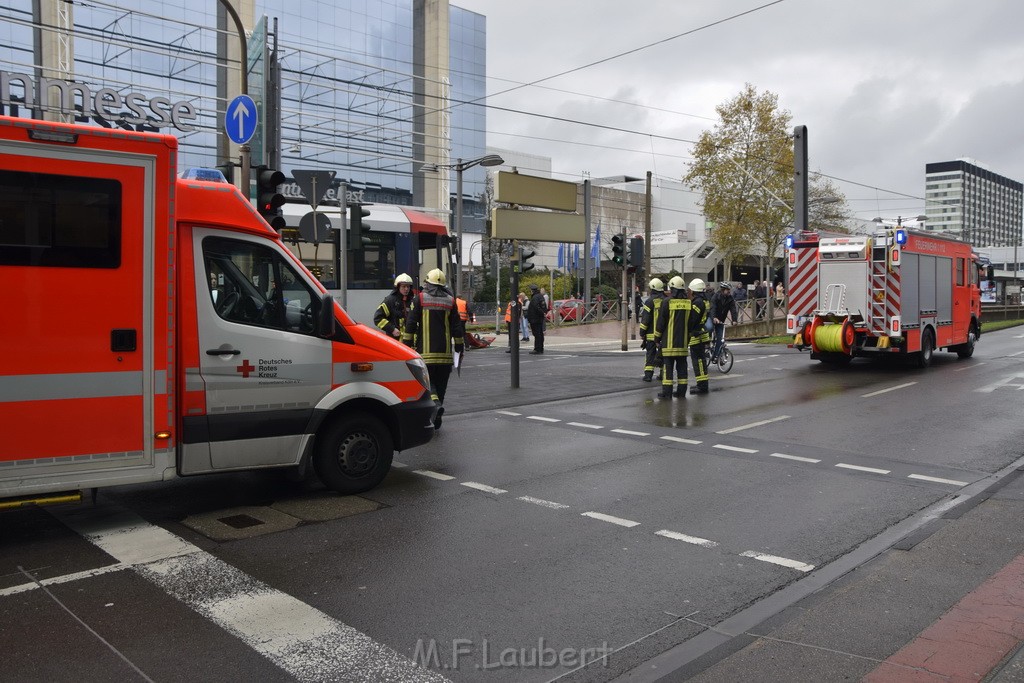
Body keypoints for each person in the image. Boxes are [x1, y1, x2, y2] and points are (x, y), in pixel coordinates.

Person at [403, 268, 464, 430]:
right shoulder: (451, 301)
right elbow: (457, 327)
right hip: (445, 355)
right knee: (441, 385)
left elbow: (411, 325)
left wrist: (405, 347)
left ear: (427, 283)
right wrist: (459, 347)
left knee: (429, 386)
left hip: (426, 355)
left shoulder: (420, 299)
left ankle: (436, 407)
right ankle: (437, 415)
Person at [654, 276, 691, 398]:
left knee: (667, 370)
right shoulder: (688, 303)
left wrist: (657, 338)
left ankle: (667, 393)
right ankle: (681, 392)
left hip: (669, 344)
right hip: (683, 344)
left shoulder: (666, 302)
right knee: (682, 369)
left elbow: (661, 323)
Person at [638, 278, 666, 382]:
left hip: (651, 335)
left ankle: (648, 375)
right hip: (664, 335)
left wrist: (642, 332)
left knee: (650, 354)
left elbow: (645, 319)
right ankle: (663, 375)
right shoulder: (666, 300)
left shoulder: (649, 302)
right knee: (663, 355)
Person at [687, 278, 711, 394]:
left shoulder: (697, 302)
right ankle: (701, 384)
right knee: (700, 360)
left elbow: (692, 319)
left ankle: (702, 386)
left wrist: (688, 329)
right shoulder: (705, 301)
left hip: (697, 334)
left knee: (698, 361)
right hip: (702, 332)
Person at [374, 273, 414, 340]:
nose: (406, 289)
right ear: (398, 287)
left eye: (408, 286)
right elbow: (378, 318)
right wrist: (392, 329)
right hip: (394, 340)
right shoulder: (390, 301)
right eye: (403, 286)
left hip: (409, 341)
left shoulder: (412, 301)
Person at [710, 281, 738, 362]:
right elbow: (713, 308)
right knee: (709, 328)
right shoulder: (715, 297)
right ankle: (707, 344)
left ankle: (715, 356)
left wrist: (734, 320)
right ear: (723, 290)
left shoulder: (730, 299)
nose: (729, 291)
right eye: (727, 290)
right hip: (713, 318)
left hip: (721, 320)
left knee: (720, 338)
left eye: (730, 290)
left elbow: (733, 310)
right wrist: (714, 318)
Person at [525, 283, 548, 354]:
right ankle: (541, 348)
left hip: (535, 318)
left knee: (537, 334)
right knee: (540, 334)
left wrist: (541, 313)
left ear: (532, 290)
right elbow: (544, 306)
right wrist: (544, 313)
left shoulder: (535, 297)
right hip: (539, 318)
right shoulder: (541, 296)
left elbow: (536, 307)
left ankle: (537, 349)